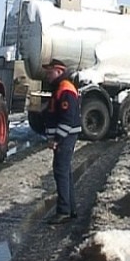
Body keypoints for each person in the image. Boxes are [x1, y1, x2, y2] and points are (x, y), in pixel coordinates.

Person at [42, 59, 82, 225]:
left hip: (65, 137)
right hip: (64, 137)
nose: (47, 74)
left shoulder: (65, 89)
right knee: (64, 171)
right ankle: (70, 209)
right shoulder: (60, 88)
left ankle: (63, 211)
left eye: (49, 71)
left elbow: (66, 118)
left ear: (58, 71)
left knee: (60, 171)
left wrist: (57, 139)